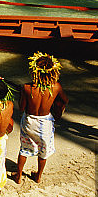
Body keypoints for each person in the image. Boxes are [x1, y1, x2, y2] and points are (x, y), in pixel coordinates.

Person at [13, 52, 68, 184]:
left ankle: (19, 176)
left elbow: (21, 108)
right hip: (45, 123)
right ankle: (38, 177)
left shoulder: (27, 87)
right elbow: (65, 100)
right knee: (43, 151)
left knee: (24, 149)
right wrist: (58, 107)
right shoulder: (55, 87)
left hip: (29, 121)